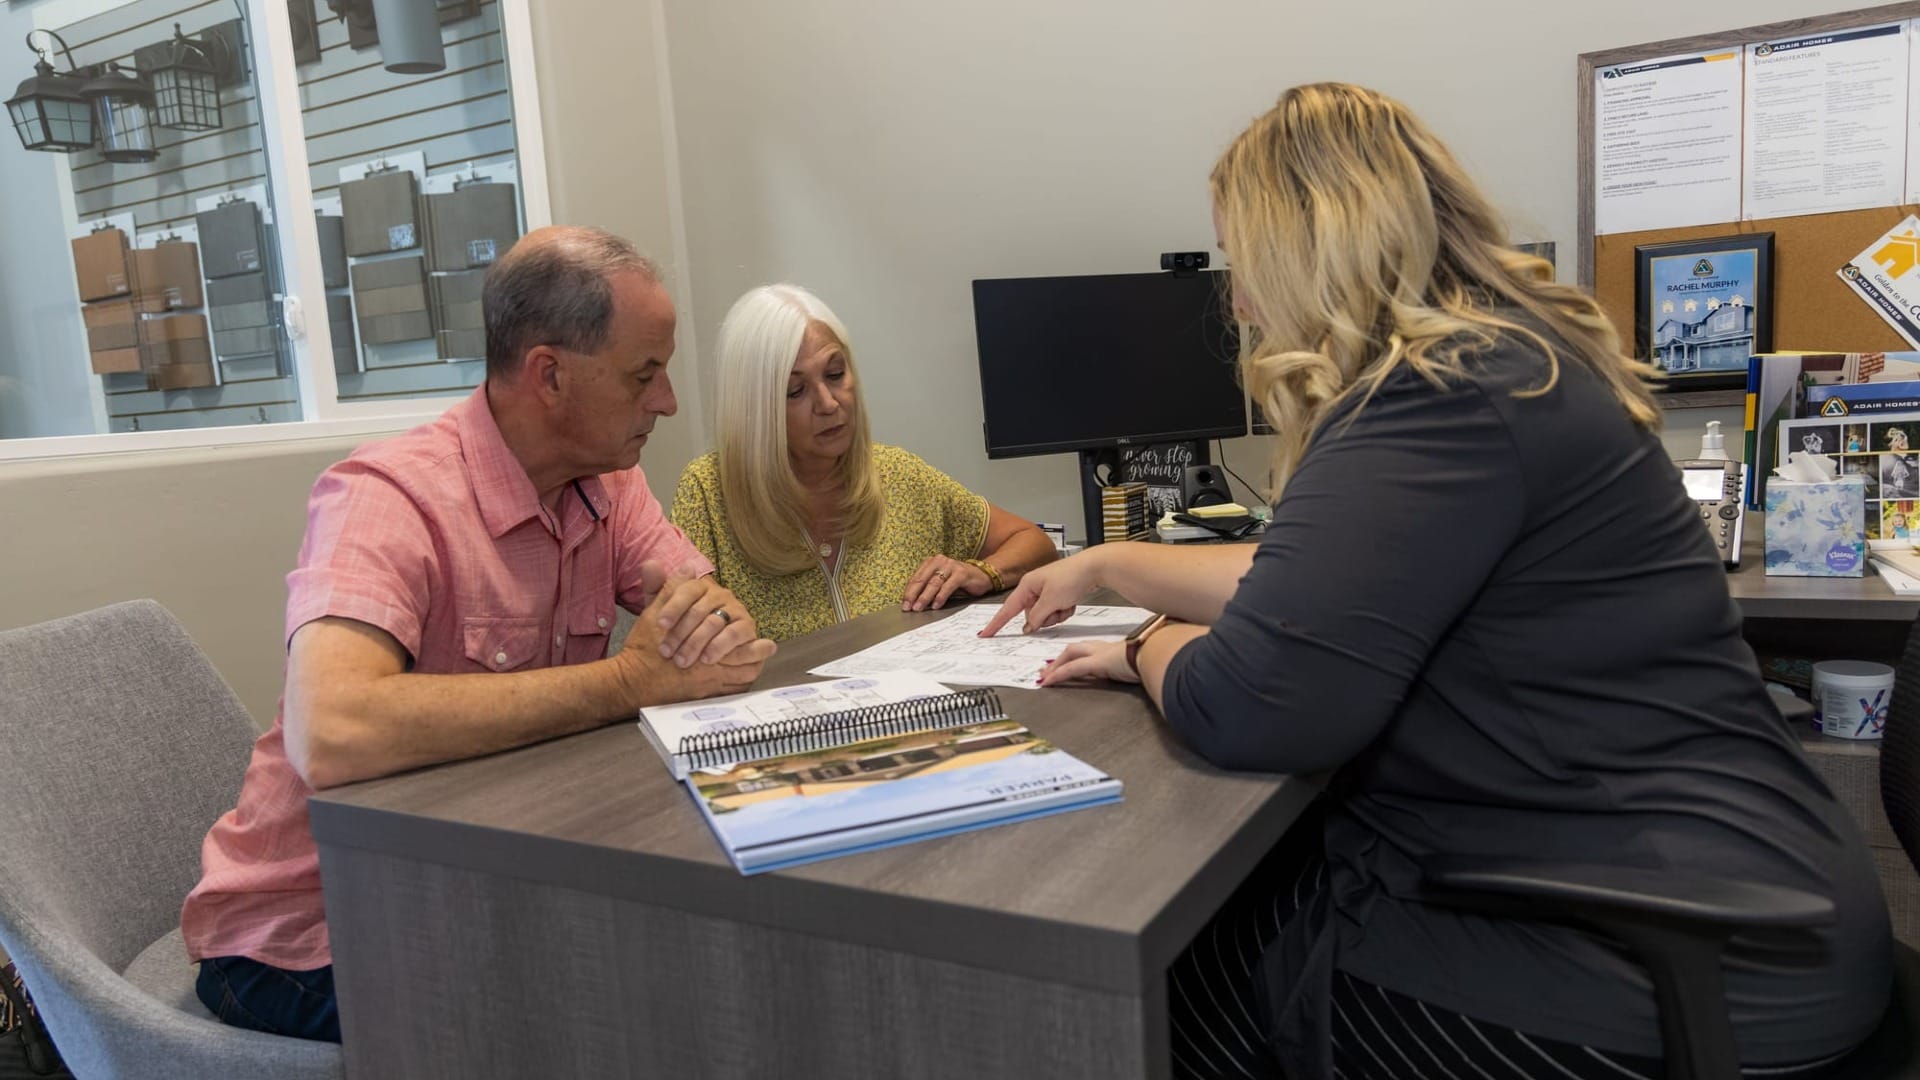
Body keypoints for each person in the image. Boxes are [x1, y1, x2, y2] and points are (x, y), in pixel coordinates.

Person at [986, 83, 1891, 1077]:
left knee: (1148, 1011)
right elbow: (1308, 582)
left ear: (1311, 246)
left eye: (1247, 263)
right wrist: (1109, 563)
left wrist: (1142, 645)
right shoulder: (1500, 368)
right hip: (1722, 902)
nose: (1240, 301)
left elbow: (1256, 705)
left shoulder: (1433, 398)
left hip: (1649, 958)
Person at [180, 227, 776, 1043]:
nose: (667, 401)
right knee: (617, 1018)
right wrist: (628, 683)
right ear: (550, 375)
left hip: (477, 886)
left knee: (693, 964)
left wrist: (710, 623)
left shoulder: (608, 481)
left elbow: (710, 619)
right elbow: (332, 731)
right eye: (646, 375)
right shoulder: (386, 497)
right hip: (309, 936)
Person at [671, 284, 1058, 640]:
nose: (828, 403)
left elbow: (1032, 542)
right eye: (796, 390)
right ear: (754, 406)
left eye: (836, 374)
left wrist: (983, 573)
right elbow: (686, 639)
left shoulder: (897, 474)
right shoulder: (709, 492)